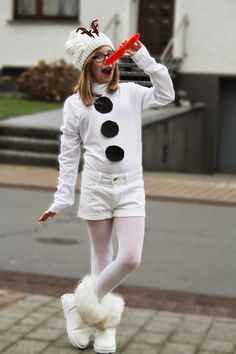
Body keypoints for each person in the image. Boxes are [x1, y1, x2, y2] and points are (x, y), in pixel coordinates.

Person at [38, 19, 175, 354]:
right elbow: (69, 155)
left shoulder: (130, 93)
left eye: (111, 54)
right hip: (97, 187)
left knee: (129, 258)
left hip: (130, 187)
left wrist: (144, 59)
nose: (108, 61)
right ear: (88, 66)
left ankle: (77, 304)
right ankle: (104, 328)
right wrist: (61, 197)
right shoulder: (75, 105)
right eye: (99, 57)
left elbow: (166, 94)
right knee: (102, 257)